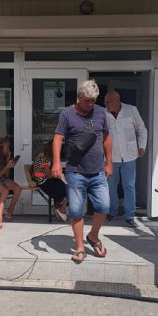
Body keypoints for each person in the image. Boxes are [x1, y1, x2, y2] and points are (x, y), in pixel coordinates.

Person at [51, 80, 112, 263]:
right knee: (76, 211)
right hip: (75, 171)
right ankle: (79, 247)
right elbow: (58, 138)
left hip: (98, 171)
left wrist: (109, 163)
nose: (90, 104)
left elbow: (106, 137)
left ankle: (93, 236)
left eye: (93, 100)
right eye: (87, 101)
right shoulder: (67, 114)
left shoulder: (100, 112)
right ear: (79, 97)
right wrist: (56, 163)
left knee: (104, 207)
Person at [103, 90, 148, 228]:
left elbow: (141, 129)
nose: (106, 105)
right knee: (111, 186)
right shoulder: (103, 114)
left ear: (117, 101)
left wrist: (142, 146)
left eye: (108, 102)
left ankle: (129, 216)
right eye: (105, 103)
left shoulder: (131, 110)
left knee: (129, 186)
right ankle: (112, 212)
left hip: (129, 155)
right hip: (111, 157)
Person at [0, 136, 22, 229]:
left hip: (2, 179)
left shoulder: (4, 157)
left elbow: (6, 176)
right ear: (1, 148)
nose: (8, 150)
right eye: (7, 148)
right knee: (5, 191)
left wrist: (8, 163)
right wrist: (6, 167)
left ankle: (10, 211)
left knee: (18, 188)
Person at [32, 140, 68, 222]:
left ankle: (58, 206)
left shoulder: (42, 156)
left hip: (44, 180)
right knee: (64, 187)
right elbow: (49, 175)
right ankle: (60, 207)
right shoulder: (43, 159)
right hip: (43, 182)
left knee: (63, 185)